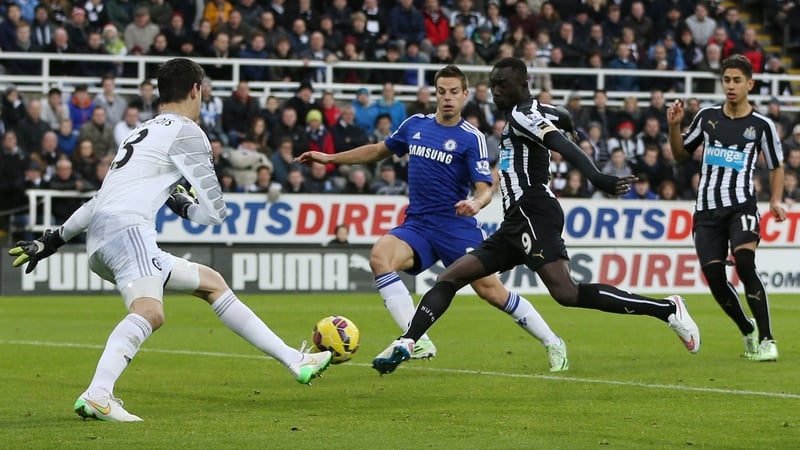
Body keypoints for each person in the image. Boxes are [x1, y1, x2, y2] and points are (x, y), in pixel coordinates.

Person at [7, 58, 332, 423]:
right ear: (197, 90)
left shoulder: (138, 132)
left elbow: (100, 199)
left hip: (102, 235)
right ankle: (98, 394)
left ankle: (296, 360)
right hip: (129, 231)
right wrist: (184, 205)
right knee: (150, 312)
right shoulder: (188, 132)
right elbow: (216, 212)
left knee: (212, 283)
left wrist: (53, 239)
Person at [370, 57, 702, 375]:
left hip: (534, 212)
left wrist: (597, 177)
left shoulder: (521, 116)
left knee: (567, 293)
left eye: (502, 85)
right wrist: (567, 118)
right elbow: (557, 114)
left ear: (523, 85)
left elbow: (561, 144)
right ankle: (409, 341)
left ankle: (668, 309)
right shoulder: (531, 110)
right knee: (450, 278)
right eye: (493, 85)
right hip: (516, 221)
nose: (496, 91)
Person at [297, 64, 569, 372]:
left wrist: (476, 203)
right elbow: (377, 150)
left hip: (456, 227)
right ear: (435, 95)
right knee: (380, 257)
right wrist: (330, 158)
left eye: (454, 92)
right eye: (442, 92)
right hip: (419, 224)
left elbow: (484, 188)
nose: (447, 98)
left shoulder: (471, 138)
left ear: (465, 95)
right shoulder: (415, 125)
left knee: (491, 291)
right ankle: (419, 338)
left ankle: (552, 340)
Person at [666, 54, 786, 362]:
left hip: (741, 207)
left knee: (745, 264)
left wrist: (775, 199)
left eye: (736, 80)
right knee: (715, 278)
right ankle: (747, 329)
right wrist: (674, 127)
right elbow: (680, 155)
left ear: (750, 84)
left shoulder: (762, 126)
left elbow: (776, 166)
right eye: (726, 80)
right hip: (706, 212)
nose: (730, 86)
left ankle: (768, 339)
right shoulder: (707, 117)